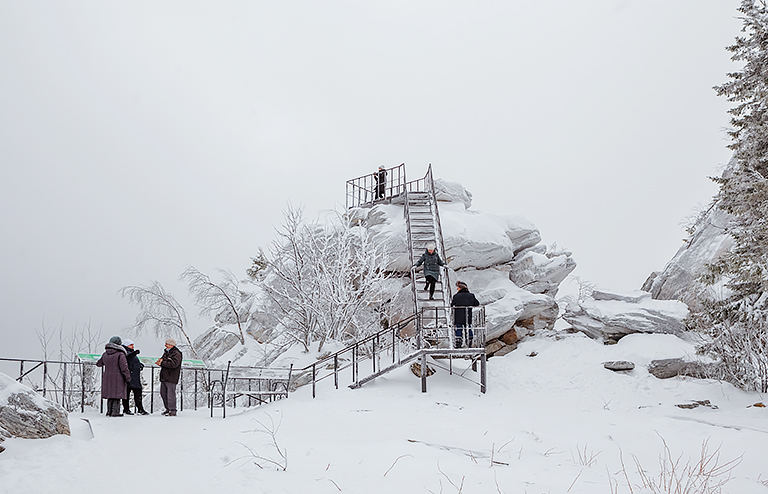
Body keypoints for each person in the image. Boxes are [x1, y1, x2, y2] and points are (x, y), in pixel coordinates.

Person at [96, 336, 131, 417]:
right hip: (118, 377)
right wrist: (128, 377)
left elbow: (99, 364)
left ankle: (109, 412)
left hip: (107, 377)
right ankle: (115, 412)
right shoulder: (120, 354)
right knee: (117, 395)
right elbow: (124, 368)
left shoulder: (105, 354)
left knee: (110, 395)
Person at [155, 338, 182, 416]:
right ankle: (168, 409)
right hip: (164, 376)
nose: (165, 345)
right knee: (163, 393)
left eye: (167, 344)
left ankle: (172, 410)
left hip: (171, 377)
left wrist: (162, 363)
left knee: (171, 394)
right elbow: (164, 361)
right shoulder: (166, 353)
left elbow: (174, 364)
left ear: (171, 345)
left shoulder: (177, 353)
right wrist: (160, 362)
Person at [121, 339, 148, 415]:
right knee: (127, 394)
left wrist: (139, 365)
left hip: (135, 377)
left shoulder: (132, 354)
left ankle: (140, 409)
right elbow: (127, 359)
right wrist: (134, 353)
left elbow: (133, 362)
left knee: (137, 393)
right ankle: (126, 409)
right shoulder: (124, 353)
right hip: (129, 376)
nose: (133, 346)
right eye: (131, 345)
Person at [451, 281, 480, 348]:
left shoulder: (456, 296)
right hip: (467, 315)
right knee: (468, 327)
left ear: (460, 288)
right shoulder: (471, 295)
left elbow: (452, 304)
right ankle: (469, 339)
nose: (457, 289)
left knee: (459, 328)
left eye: (458, 287)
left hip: (458, 315)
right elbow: (476, 303)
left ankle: (458, 340)